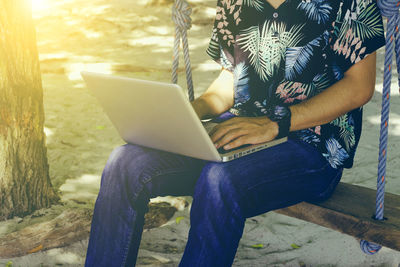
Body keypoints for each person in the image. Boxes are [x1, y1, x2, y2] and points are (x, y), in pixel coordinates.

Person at [84, 0, 385, 266]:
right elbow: (232, 78)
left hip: (312, 146)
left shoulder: (349, 3)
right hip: (240, 128)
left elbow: (359, 87)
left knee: (219, 180)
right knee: (125, 162)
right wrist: (193, 111)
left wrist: (274, 123)